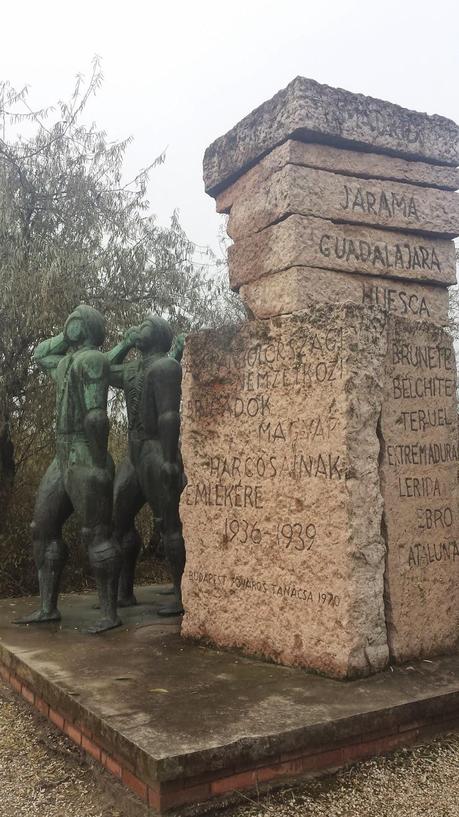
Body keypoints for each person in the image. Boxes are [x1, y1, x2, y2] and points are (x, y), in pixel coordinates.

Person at [16, 305, 121, 633]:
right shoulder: (66, 363)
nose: (70, 322)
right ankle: (48, 607)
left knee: (96, 534)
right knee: (42, 528)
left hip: (85, 453)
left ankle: (109, 613)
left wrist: (99, 459)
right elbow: (40, 355)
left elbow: (97, 416)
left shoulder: (93, 359)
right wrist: (66, 334)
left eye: (77, 321)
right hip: (62, 455)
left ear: (88, 328)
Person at [107, 315, 185, 616]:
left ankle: (181, 593)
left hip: (156, 451)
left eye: (145, 326)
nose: (137, 328)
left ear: (160, 336)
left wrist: (168, 459)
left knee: (170, 524)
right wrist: (124, 343)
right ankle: (124, 591)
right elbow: (99, 369)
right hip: (134, 454)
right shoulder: (130, 369)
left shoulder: (166, 366)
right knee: (118, 519)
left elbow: (169, 415)